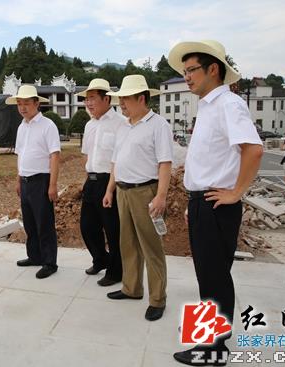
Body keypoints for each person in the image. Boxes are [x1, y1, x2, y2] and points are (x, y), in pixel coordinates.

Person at [168, 40, 263, 365]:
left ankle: (214, 351)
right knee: (206, 276)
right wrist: (191, 202)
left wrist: (236, 192)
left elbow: (254, 149)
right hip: (201, 203)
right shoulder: (208, 107)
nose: (187, 77)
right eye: (185, 72)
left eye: (192, 70)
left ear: (213, 69)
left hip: (217, 206)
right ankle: (208, 344)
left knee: (215, 277)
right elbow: (207, 161)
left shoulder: (229, 105)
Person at [102, 75, 173, 321]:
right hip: (122, 191)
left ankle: (157, 299)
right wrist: (110, 189)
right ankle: (132, 288)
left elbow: (165, 163)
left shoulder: (158, 125)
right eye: (120, 99)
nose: (121, 103)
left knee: (151, 247)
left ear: (141, 98)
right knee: (128, 243)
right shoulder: (123, 126)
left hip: (146, 192)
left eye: (126, 99)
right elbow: (115, 161)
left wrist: (161, 196)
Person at [6, 85, 60, 279]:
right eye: (19, 103)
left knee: (44, 223)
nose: (22, 107)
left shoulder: (48, 126)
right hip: (26, 181)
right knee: (29, 222)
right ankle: (34, 256)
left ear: (37, 103)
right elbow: (20, 155)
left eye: (26, 103)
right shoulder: (22, 126)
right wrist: (18, 180)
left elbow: (55, 156)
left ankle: (49, 262)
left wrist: (52, 185)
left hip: (41, 180)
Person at [76, 78, 124, 286]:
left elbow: (119, 158)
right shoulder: (89, 125)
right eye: (86, 99)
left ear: (107, 99)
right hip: (92, 181)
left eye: (93, 98)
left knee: (113, 230)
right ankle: (100, 259)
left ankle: (116, 272)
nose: (88, 103)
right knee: (87, 226)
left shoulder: (120, 123)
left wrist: (111, 189)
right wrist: (86, 179)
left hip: (109, 182)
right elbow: (86, 154)